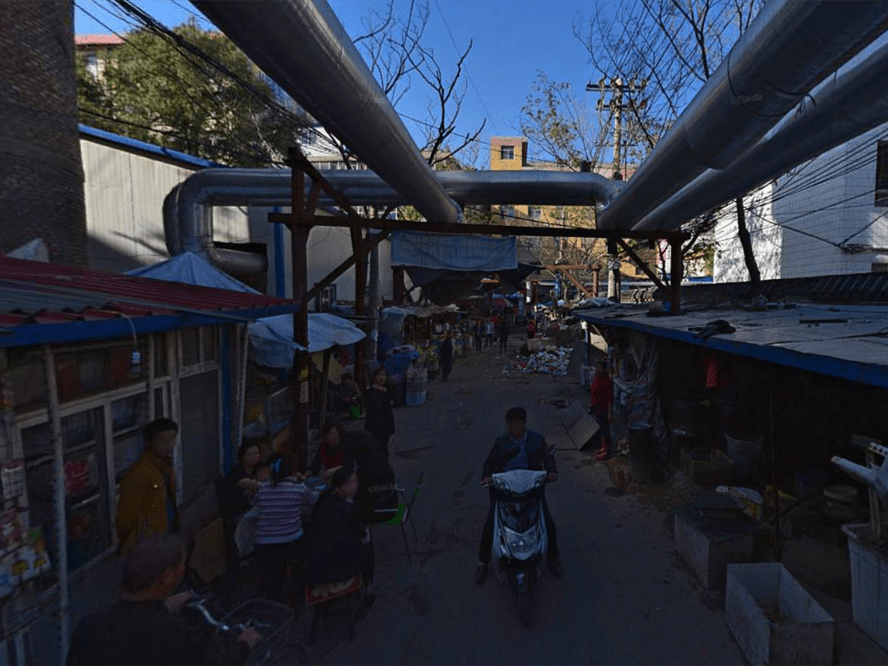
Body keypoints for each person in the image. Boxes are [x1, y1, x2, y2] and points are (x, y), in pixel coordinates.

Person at [67, 534, 260, 665]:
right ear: (168, 576)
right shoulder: (169, 631)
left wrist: (162, 606)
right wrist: (243, 643)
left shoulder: (89, 626)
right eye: (182, 565)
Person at [475, 407, 563, 585]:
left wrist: (552, 472)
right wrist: (486, 477)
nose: (513, 429)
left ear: (524, 423)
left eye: (516, 425)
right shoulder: (501, 442)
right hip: (505, 491)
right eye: (510, 426)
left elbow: (548, 459)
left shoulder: (537, 440)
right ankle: (483, 562)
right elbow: (489, 464)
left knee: (548, 523)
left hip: (531, 490)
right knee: (491, 526)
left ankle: (553, 558)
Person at [305, 464, 376, 607]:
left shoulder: (323, 502)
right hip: (341, 569)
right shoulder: (348, 509)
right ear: (337, 488)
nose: (354, 486)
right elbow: (364, 536)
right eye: (349, 483)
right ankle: (368, 587)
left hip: (315, 569)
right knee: (368, 546)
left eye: (355, 481)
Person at [255, 453, 318, 602]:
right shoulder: (299, 489)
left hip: (264, 547)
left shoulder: (263, 490)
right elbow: (314, 498)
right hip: (290, 544)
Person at [116, 418, 180, 555]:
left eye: (172, 440)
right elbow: (126, 515)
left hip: (166, 532)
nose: (169, 445)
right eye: (163, 441)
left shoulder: (165, 467)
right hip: (147, 541)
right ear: (149, 442)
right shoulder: (140, 472)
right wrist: (130, 543)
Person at [218, 443, 262, 569]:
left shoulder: (257, 469)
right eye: (250, 454)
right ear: (242, 457)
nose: (254, 457)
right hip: (237, 511)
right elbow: (250, 485)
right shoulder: (238, 472)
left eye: (256, 453)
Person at [365, 367, 396, 458]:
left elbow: (395, 399)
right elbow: (374, 407)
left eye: (383, 375)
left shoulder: (387, 388)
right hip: (376, 425)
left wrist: (385, 392)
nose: (382, 377)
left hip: (386, 424)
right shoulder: (371, 391)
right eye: (379, 375)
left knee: (384, 447)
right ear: (374, 378)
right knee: (379, 449)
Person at [589, 361, 615, 461]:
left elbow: (610, 399)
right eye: (596, 368)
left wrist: (609, 413)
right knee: (601, 428)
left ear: (604, 370)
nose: (597, 370)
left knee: (605, 429)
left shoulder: (607, 381)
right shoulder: (596, 378)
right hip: (596, 406)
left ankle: (607, 451)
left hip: (603, 408)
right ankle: (603, 447)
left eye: (599, 368)